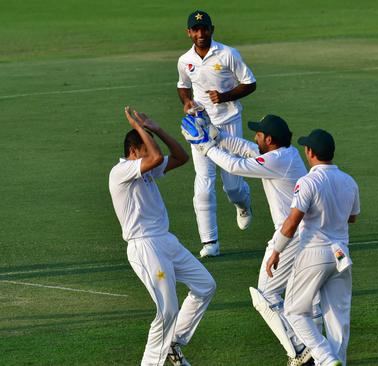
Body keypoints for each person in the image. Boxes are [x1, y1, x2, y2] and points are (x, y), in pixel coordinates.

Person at [180, 114, 315, 365]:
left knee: (266, 295)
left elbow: (235, 166)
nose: (256, 137)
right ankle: (309, 348)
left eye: (260, 134)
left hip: (291, 235)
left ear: (270, 139)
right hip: (301, 233)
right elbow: (247, 149)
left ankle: (300, 351)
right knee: (295, 298)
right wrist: (217, 135)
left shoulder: (278, 160)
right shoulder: (286, 155)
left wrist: (206, 146)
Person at [109, 107, 216, 366]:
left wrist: (155, 130)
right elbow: (156, 158)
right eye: (146, 146)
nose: (152, 151)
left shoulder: (146, 170)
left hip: (167, 241)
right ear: (134, 151)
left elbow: (180, 157)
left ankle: (174, 342)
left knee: (205, 285)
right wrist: (138, 128)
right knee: (167, 310)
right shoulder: (120, 172)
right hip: (145, 247)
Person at [266, 129, 360, 366]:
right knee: (338, 319)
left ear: (310, 152)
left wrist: (276, 250)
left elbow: (292, 221)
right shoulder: (349, 181)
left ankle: (326, 358)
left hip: (314, 253)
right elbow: (352, 217)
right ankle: (336, 361)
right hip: (341, 254)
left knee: (294, 311)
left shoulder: (307, 182)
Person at [177, 9, 257, 257]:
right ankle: (210, 242)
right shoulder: (185, 60)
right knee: (203, 184)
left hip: (229, 120)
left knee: (233, 185)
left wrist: (225, 97)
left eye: (205, 29)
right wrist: (186, 102)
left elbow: (250, 83)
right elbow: (183, 85)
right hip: (200, 125)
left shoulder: (228, 54)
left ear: (212, 29)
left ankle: (243, 205)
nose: (201, 34)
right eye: (196, 30)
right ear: (189, 32)